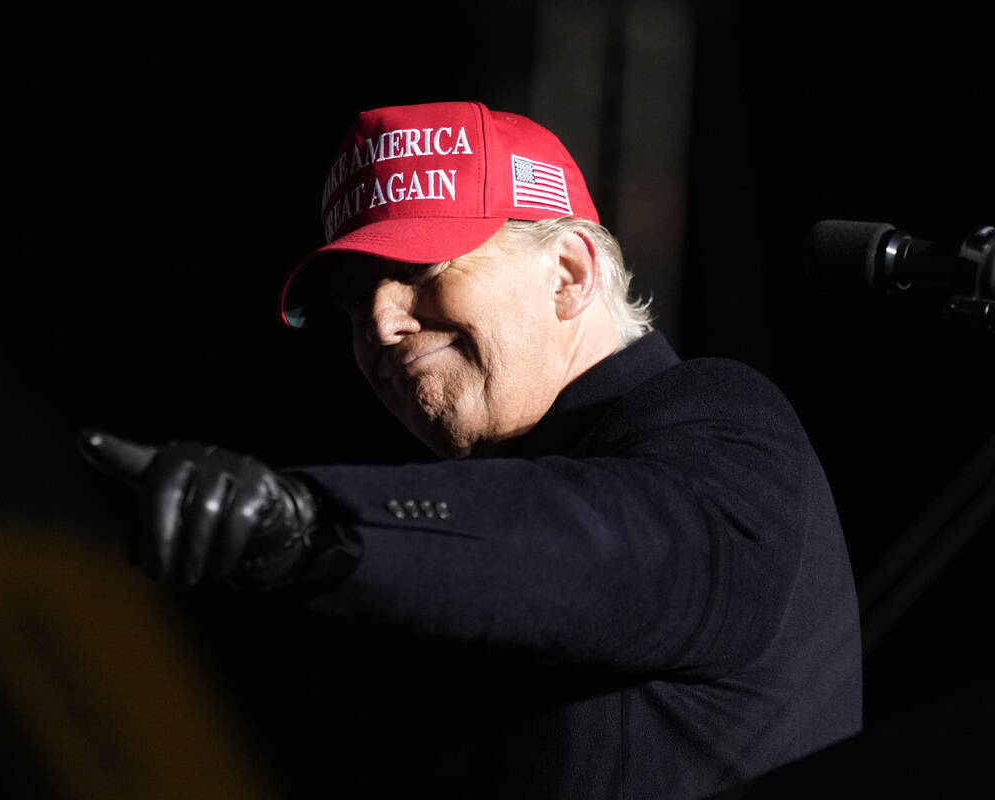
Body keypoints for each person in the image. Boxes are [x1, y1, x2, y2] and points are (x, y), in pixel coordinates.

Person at [77, 101, 862, 799]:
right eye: (356, 299)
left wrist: (308, 523)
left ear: (567, 273)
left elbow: (602, 547)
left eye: (419, 268)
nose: (380, 323)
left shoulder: (716, 419)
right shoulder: (451, 548)